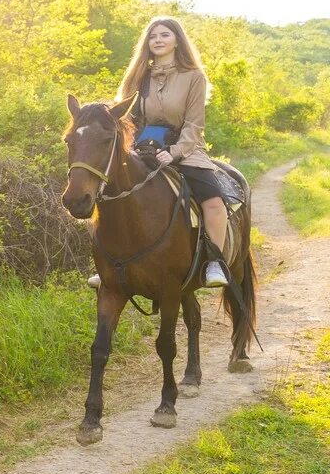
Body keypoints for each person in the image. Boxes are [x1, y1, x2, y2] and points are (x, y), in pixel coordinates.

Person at [91, 16, 231, 288]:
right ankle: (109, 265)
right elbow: (122, 116)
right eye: (153, 36)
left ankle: (215, 262)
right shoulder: (138, 76)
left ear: (177, 40)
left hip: (186, 148)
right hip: (141, 148)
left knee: (213, 201)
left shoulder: (194, 77)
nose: (158, 40)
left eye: (165, 35)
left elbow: (194, 123)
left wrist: (175, 152)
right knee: (108, 195)